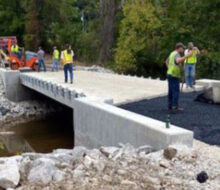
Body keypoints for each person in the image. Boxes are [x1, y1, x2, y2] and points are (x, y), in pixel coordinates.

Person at [165, 43, 192, 111]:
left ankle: (170, 105)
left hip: (170, 73)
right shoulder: (177, 54)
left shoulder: (172, 53)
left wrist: (169, 68)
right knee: (176, 91)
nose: (183, 49)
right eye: (182, 48)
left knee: (171, 91)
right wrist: (187, 56)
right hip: (174, 75)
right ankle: (175, 106)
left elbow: (166, 61)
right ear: (179, 48)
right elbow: (178, 60)